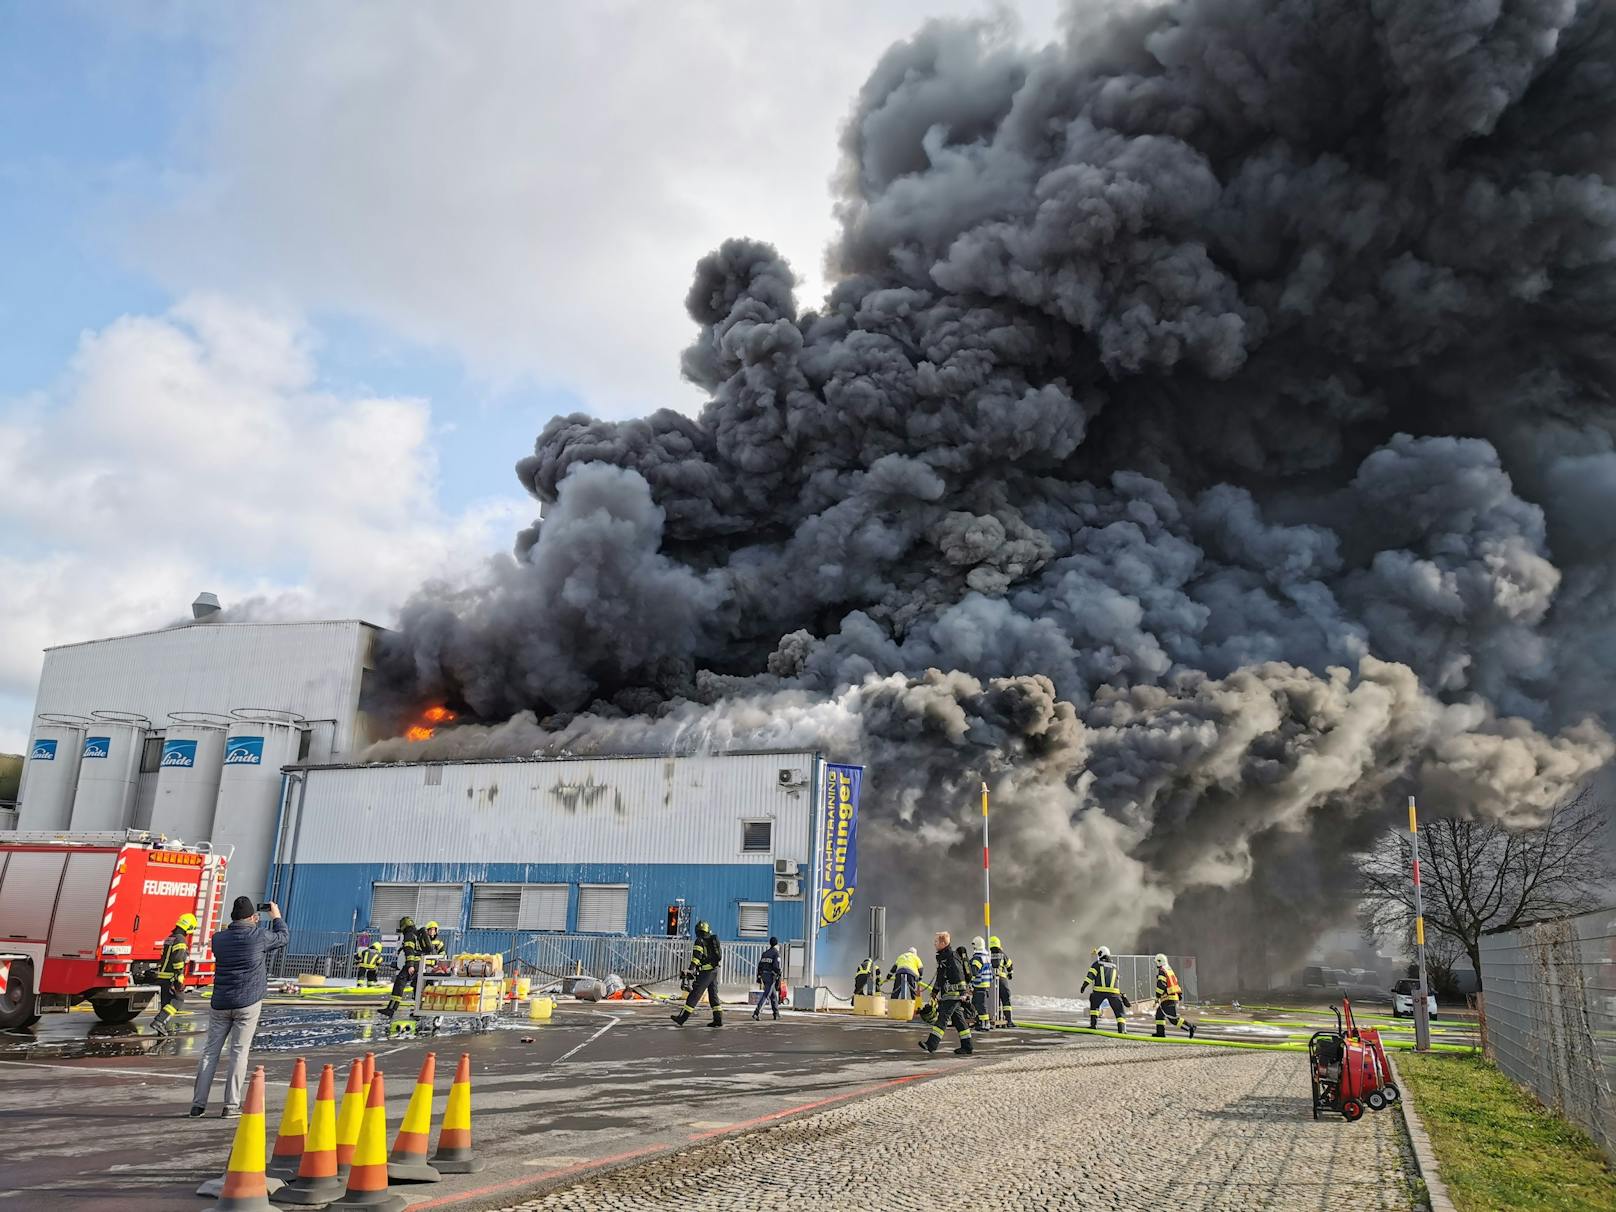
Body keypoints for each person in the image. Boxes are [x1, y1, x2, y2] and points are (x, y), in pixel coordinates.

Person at [190, 897, 288, 1118]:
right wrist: (276, 917)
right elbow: (283, 938)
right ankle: (231, 1105)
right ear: (253, 917)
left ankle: (198, 1104)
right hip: (248, 1001)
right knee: (239, 1052)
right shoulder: (259, 936)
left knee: (209, 1053)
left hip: (220, 1001)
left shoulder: (219, 939)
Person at [918, 931, 973, 1055]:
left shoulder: (951, 957)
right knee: (959, 1021)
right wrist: (934, 992)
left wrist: (963, 992)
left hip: (954, 995)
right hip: (948, 994)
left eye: (936, 941)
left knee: (942, 1018)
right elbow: (941, 977)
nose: (934, 944)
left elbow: (959, 975)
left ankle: (931, 1044)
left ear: (943, 943)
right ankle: (967, 1046)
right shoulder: (944, 957)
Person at [149, 913, 198, 1036]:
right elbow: (178, 960)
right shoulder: (181, 940)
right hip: (171, 976)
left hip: (163, 975)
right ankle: (159, 1022)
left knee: (166, 1002)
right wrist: (179, 978)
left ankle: (161, 1027)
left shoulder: (170, 938)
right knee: (178, 999)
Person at [671, 919, 722, 1027]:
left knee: (694, 994)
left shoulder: (699, 941)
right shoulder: (712, 939)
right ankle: (718, 1019)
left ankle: (682, 1018)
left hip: (705, 972)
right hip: (714, 970)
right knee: (713, 995)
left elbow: (696, 957)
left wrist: (690, 969)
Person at [382, 915, 423, 1019]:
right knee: (417, 987)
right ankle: (417, 1010)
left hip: (413, 963)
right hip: (420, 964)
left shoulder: (409, 934)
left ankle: (391, 1009)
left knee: (400, 983)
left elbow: (409, 950)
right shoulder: (417, 934)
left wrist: (410, 965)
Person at [1081, 945, 1127, 1033]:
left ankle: (1093, 1025)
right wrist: (1120, 994)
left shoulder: (1097, 964)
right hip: (1114, 992)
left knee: (1094, 1005)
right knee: (1119, 1011)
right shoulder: (1115, 967)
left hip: (1099, 991)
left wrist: (1084, 986)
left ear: (1101, 954)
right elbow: (1117, 980)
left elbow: (1090, 976)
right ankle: (1122, 1029)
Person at [1153, 954, 1196, 1039]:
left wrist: (1157, 996)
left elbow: (1161, 985)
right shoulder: (1169, 970)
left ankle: (1191, 1027)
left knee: (1173, 1020)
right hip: (1171, 997)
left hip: (1168, 998)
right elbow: (1175, 982)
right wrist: (1179, 994)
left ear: (1159, 962)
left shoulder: (1162, 971)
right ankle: (1160, 1033)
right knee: (1159, 1014)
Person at [753, 936, 783, 1021]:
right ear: (776, 944)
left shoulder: (765, 953)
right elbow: (776, 966)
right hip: (771, 976)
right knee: (766, 995)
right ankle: (757, 1012)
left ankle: (776, 1014)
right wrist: (779, 974)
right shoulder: (776, 953)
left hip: (764, 976)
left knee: (773, 995)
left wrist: (759, 976)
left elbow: (760, 966)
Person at [968, 936, 994, 1031]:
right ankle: (980, 1021)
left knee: (980, 1005)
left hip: (979, 985)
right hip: (985, 984)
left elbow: (974, 972)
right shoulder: (986, 956)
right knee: (977, 1003)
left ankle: (984, 1024)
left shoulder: (977, 958)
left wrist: (970, 982)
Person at [990, 935, 1015, 1027]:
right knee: (1005, 999)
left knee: (994, 1000)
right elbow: (1009, 965)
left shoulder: (987, 954)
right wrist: (1010, 973)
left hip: (990, 981)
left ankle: (997, 1018)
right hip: (1002, 980)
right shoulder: (1002, 954)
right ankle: (1008, 1020)